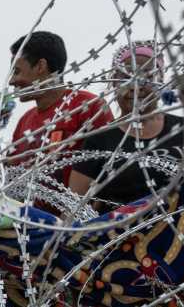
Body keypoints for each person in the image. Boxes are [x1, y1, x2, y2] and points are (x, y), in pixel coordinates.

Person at [69, 41, 184, 211]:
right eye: (125, 78)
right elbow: (72, 207)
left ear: (161, 82)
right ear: (114, 85)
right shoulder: (99, 140)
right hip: (119, 234)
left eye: (147, 76)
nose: (135, 86)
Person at [7, 30, 115, 200]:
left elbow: (108, 170)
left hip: (75, 222)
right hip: (25, 223)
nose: (11, 81)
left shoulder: (88, 108)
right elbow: (11, 178)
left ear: (40, 66)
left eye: (16, 71)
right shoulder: (25, 120)